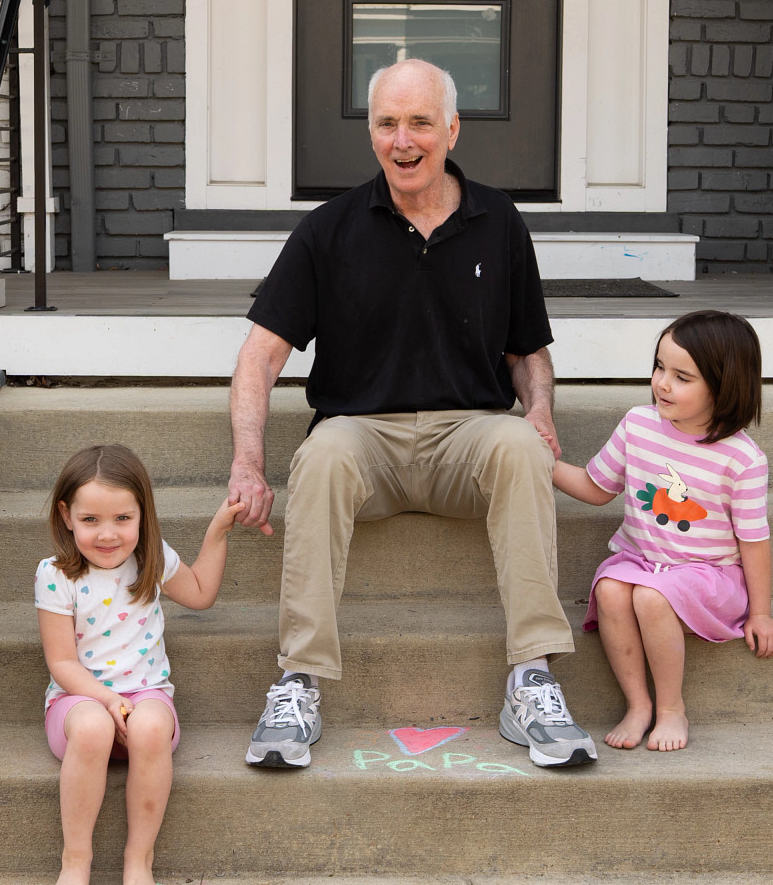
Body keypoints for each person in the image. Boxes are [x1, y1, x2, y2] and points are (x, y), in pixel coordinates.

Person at [225, 57, 596, 770]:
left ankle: (533, 678)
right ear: (371, 134)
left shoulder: (499, 221)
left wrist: (540, 408)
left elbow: (529, 352)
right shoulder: (328, 229)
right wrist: (248, 460)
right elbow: (259, 356)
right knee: (323, 454)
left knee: (522, 447)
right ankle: (298, 682)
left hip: (469, 435)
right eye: (388, 123)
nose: (404, 139)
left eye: (420, 121)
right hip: (363, 439)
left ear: (451, 129)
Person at [552, 311, 773, 752]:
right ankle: (638, 705)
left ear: (724, 385)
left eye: (682, 377)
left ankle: (672, 709)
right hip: (641, 561)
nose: (662, 383)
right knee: (611, 588)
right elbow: (596, 488)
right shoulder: (638, 425)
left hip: (709, 574)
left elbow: (754, 541)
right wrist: (541, 463)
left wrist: (760, 613)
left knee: (651, 596)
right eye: (660, 367)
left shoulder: (743, 460)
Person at [36, 444, 238, 885]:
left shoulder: (153, 561)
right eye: (90, 520)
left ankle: (138, 860)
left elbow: (202, 593)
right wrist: (107, 700)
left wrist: (218, 532)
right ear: (66, 516)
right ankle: (75, 861)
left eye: (123, 518)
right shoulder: (56, 575)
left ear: (143, 515)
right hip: (80, 702)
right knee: (92, 727)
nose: (108, 535)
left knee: (149, 726)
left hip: (146, 701)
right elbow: (62, 663)